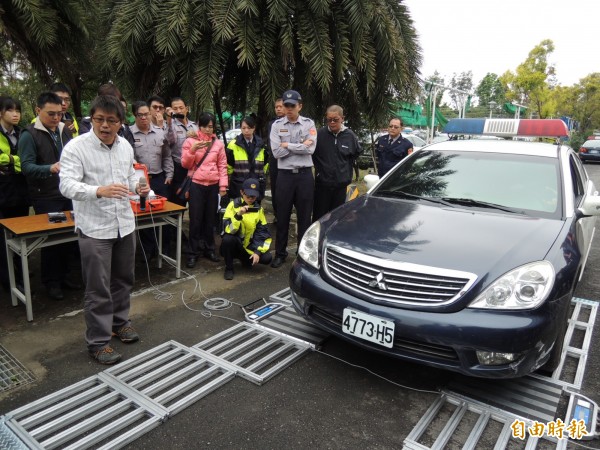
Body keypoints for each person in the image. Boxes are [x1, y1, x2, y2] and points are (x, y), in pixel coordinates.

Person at [59, 95, 150, 365]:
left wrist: (138, 186)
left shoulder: (124, 147)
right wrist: (98, 190)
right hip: (95, 228)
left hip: (124, 224)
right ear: (92, 119)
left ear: (121, 123)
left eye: (112, 120)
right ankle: (98, 342)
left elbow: (130, 176)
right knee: (98, 288)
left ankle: (120, 323)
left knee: (123, 279)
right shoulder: (76, 148)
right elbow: (66, 185)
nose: (105, 125)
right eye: (99, 119)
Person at [18, 92, 78, 301]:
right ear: (38, 111)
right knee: (52, 239)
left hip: (68, 191)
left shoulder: (64, 130)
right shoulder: (29, 134)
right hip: (45, 195)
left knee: (70, 236)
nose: (56, 118)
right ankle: (51, 282)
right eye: (50, 114)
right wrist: (49, 168)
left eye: (59, 114)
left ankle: (66, 276)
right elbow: (26, 167)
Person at [269, 90, 317, 269]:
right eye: (286, 105)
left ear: (300, 106)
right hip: (285, 177)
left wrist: (287, 144)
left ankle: (302, 254)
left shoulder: (308, 124)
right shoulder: (276, 125)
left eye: (292, 106)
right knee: (282, 216)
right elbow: (276, 152)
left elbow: (310, 149)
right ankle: (280, 253)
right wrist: (300, 145)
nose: (288, 109)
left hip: (304, 176)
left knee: (305, 216)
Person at [181, 112, 227, 268]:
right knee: (195, 220)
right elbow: (185, 164)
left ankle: (210, 249)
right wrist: (192, 149)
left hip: (213, 185)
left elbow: (222, 166)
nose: (208, 129)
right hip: (197, 184)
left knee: (210, 220)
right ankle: (192, 253)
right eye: (205, 126)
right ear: (199, 125)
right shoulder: (190, 141)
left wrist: (222, 186)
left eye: (211, 126)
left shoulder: (218, 144)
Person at [130, 100, 174, 258]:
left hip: (159, 179)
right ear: (134, 115)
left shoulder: (160, 132)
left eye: (146, 114)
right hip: (139, 182)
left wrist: (169, 175)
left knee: (163, 214)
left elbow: (167, 156)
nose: (144, 118)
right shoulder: (129, 133)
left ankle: (164, 248)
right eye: (140, 115)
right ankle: (148, 250)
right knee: (144, 216)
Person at [0, 97, 30, 292]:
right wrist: (14, 161)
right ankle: (9, 281)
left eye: (17, 110)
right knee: (3, 239)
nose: (15, 114)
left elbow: (25, 161)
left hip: (20, 191)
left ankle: (21, 274)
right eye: (10, 110)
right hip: (2, 193)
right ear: (1, 113)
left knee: (21, 235)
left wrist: (11, 162)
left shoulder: (22, 133)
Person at [312, 105, 362, 221]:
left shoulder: (350, 136)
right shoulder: (319, 135)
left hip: (340, 186)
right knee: (319, 218)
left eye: (336, 120)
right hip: (322, 186)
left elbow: (355, 154)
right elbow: (313, 155)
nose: (332, 122)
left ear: (342, 118)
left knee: (337, 218)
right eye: (329, 120)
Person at [220, 178, 272, 280]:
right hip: (235, 244)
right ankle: (229, 268)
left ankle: (245, 259)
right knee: (227, 239)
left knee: (267, 258)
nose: (251, 198)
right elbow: (228, 230)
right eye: (248, 195)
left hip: (248, 247)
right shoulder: (233, 205)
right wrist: (238, 215)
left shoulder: (259, 210)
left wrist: (257, 252)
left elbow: (263, 233)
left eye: (253, 196)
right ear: (241, 192)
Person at [226, 116, 268, 201]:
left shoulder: (261, 144)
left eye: (249, 128)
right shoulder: (233, 144)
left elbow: (266, 164)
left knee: (254, 211)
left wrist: (261, 177)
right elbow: (229, 165)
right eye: (243, 128)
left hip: (256, 184)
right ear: (240, 128)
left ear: (254, 128)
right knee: (238, 210)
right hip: (239, 184)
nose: (246, 130)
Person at [167, 97, 198, 208]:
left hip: (194, 168)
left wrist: (197, 136)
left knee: (194, 200)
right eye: (175, 108)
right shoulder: (171, 125)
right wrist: (169, 122)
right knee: (178, 201)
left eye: (181, 107)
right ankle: (175, 225)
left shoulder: (195, 126)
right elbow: (170, 141)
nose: (179, 111)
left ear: (187, 109)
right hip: (178, 168)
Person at [266, 98, 285, 221]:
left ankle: (285, 215)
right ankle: (277, 215)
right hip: (274, 160)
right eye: (276, 106)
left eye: (280, 106)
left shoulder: (293, 123)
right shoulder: (271, 124)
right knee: (275, 188)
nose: (278, 108)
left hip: (289, 160)